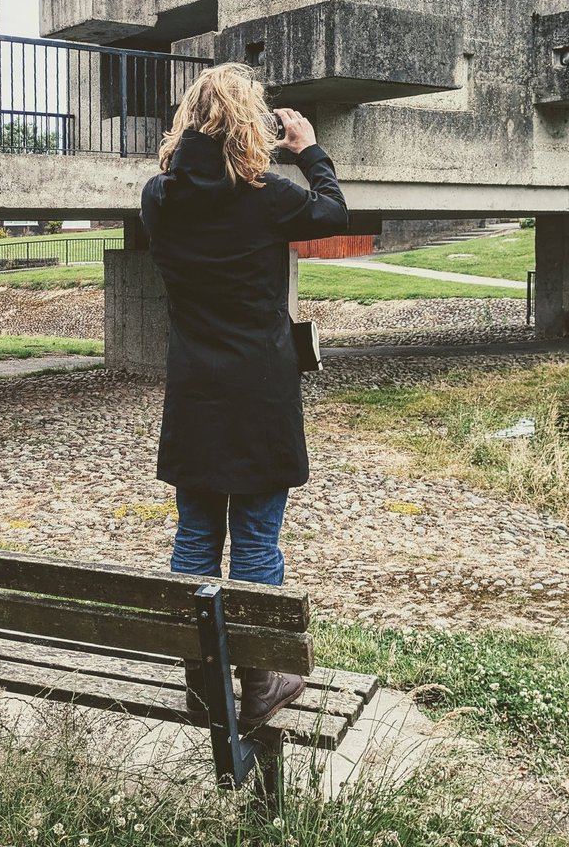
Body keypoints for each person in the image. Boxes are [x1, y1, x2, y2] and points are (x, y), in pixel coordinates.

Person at [140, 61, 348, 726]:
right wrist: (309, 150)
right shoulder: (269, 199)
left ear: (189, 120)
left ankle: (203, 685)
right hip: (260, 394)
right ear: (246, 127)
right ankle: (261, 685)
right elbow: (332, 212)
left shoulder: (159, 198)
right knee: (256, 542)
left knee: (196, 537)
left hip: (195, 394)